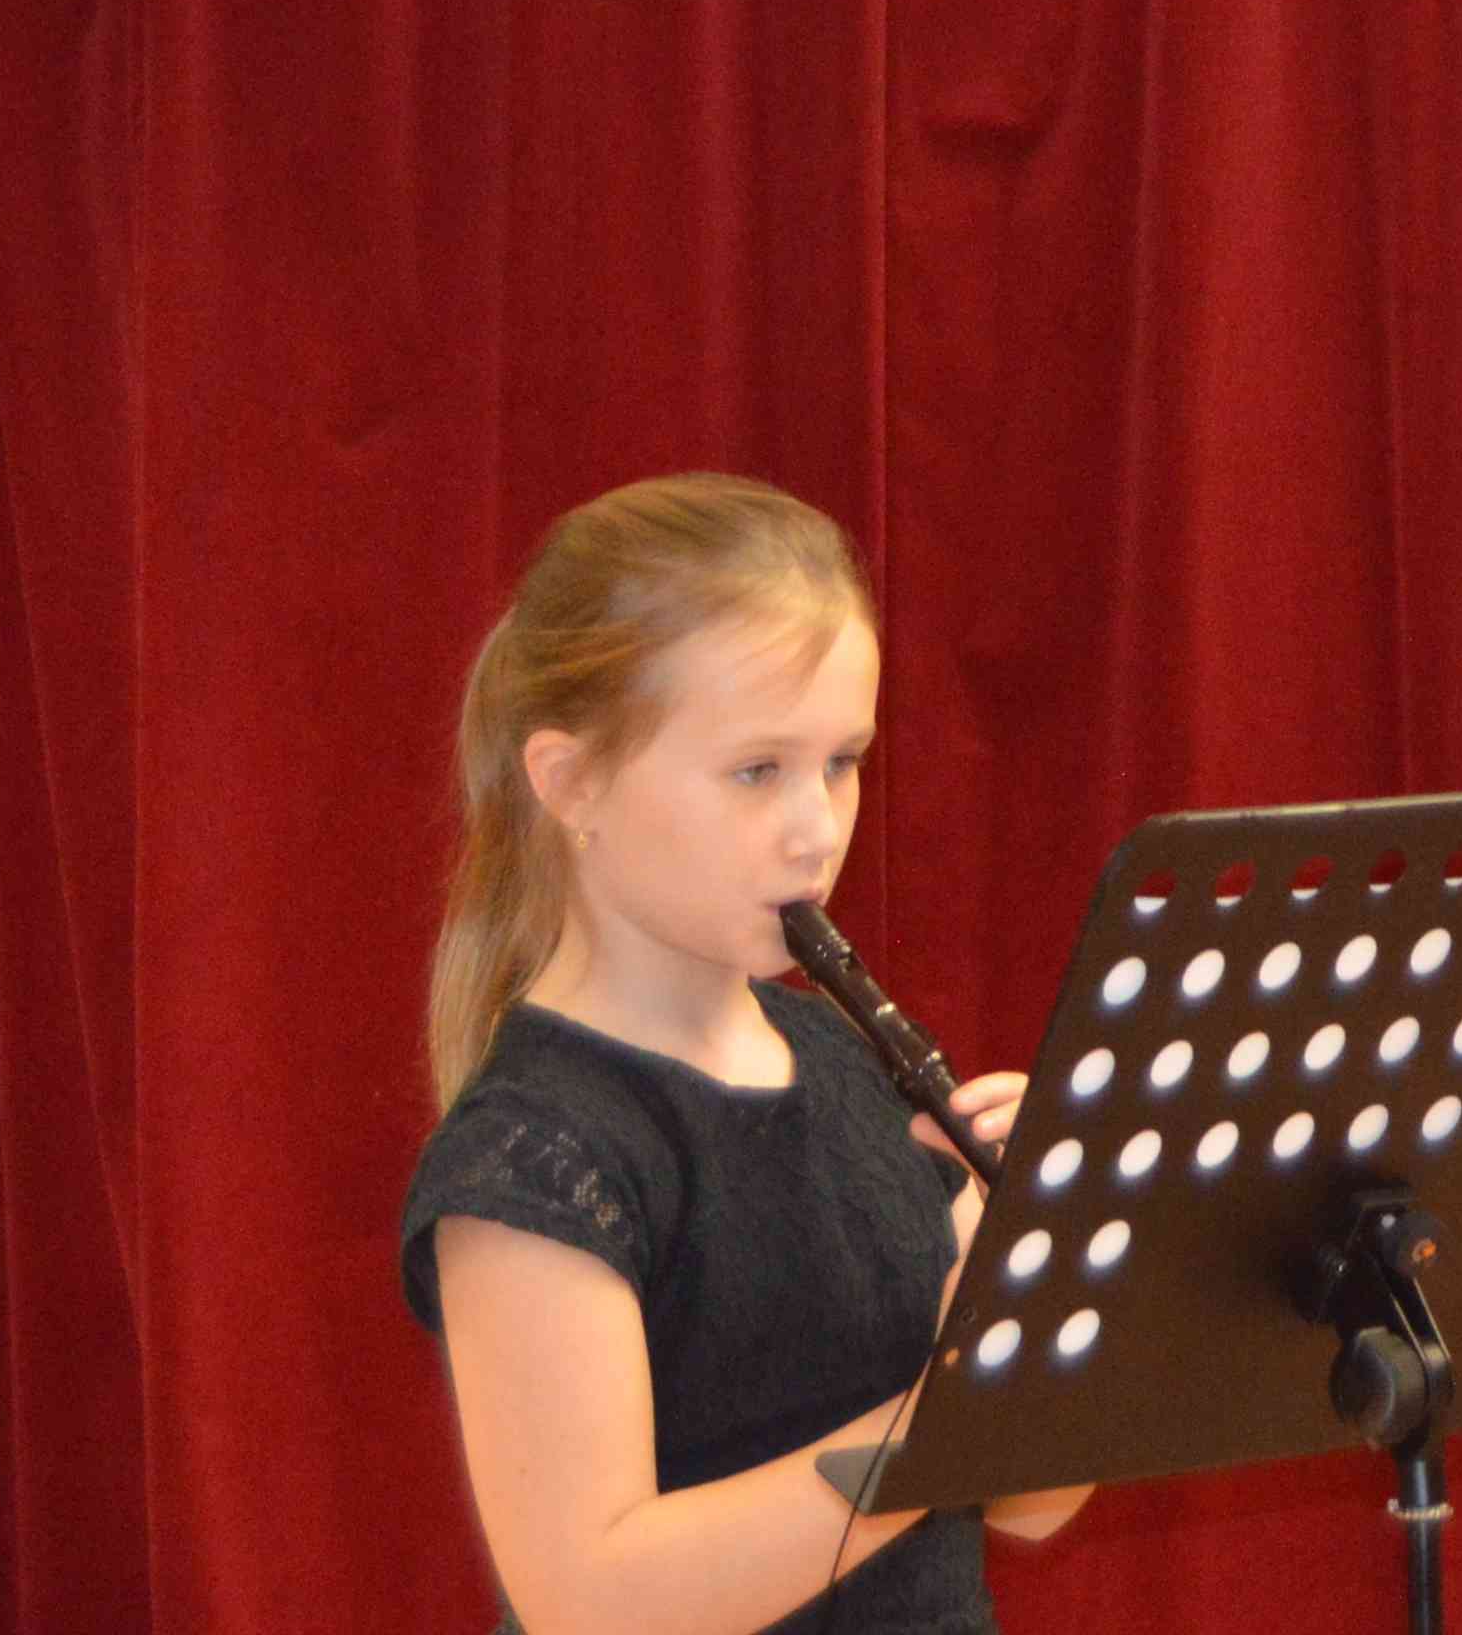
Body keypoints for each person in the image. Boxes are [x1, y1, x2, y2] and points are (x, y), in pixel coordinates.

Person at [401, 474, 1087, 1635]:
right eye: (757, 769)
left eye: (843, 760)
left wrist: (1033, 1282)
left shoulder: (849, 1060)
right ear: (571, 782)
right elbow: (593, 1603)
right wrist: (941, 1425)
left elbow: (1030, 1503)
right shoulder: (532, 1152)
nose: (818, 827)